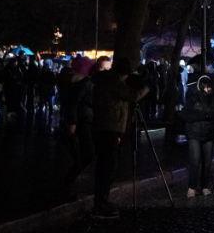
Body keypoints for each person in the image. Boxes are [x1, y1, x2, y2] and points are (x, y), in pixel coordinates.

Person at [90, 65, 149, 219]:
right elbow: (133, 96)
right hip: (109, 129)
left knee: (106, 166)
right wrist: (146, 87)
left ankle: (102, 201)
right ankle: (100, 204)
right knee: (107, 167)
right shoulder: (114, 83)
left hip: (105, 128)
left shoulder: (105, 81)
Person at [57, 55, 95, 198]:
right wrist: (72, 122)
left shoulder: (70, 82)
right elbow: (75, 103)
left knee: (80, 154)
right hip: (82, 121)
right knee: (86, 154)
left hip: (78, 121)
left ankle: (68, 182)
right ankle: (67, 183)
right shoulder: (85, 83)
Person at [182, 75, 214, 196]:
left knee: (207, 162)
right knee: (195, 160)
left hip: (208, 133)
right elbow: (190, 114)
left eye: (209, 87)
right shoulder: (192, 94)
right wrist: (205, 115)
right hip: (194, 132)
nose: (208, 90)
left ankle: (205, 186)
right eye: (206, 87)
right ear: (201, 85)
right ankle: (192, 187)